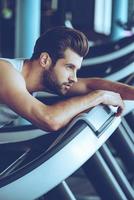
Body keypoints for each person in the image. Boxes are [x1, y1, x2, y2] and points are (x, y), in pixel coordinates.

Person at [0, 26, 134, 131]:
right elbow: (49, 119)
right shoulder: (5, 72)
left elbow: (90, 85)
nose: (74, 79)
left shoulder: (39, 80)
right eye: (69, 67)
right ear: (45, 60)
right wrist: (99, 96)